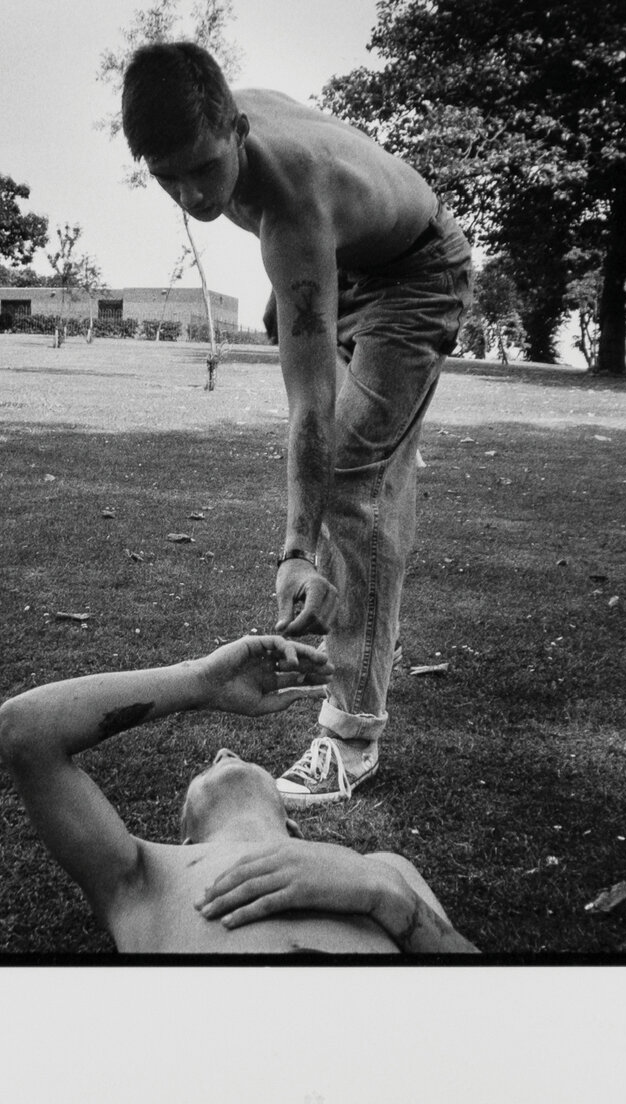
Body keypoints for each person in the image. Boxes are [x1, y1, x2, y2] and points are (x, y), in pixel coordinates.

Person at [119, 40, 477, 808]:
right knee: (375, 479)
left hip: (416, 275)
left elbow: (309, 407)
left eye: (203, 169)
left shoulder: (293, 201)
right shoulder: (220, 108)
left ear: (239, 129)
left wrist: (295, 551)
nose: (190, 195)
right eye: (165, 176)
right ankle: (377, 581)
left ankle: (351, 736)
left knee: (351, 478)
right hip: (355, 260)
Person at [0, 630, 476, 953]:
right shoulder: (141, 876)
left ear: (295, 827)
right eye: (206, 768)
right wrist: (201, 680)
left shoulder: (387, 871)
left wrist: (391, 899)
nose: (223, 750)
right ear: (187, 841)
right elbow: (25, 729)